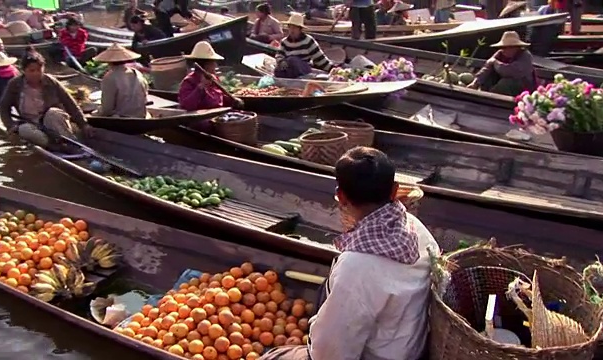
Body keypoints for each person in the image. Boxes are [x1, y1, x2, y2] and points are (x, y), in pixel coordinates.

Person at [260, 146, 440, 360]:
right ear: (394, 191)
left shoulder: (356, 267)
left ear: (341, 196)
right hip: (411, 350)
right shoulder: (418, 230)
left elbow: (329, 354)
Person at [0, 49, 94, 151]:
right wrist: (10, 125)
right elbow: (4, 107)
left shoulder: (51, 82)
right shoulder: (15, 84)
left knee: (53, 114)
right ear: (24, 71)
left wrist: (83, 124)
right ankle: (53, 146)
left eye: (39, 70)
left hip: (51, 121)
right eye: (32, 70)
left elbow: (69, 103)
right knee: (24, 130)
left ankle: (72, 144)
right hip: (31, 123)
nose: (36, 73)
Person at [178, 41, 242, 130]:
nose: (216, 65)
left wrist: (232, 101)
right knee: (207, 125)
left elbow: (221, 97)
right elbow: (187, 106)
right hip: (201, 119)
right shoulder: (189, 81)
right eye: (213, 63)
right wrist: (201, 87)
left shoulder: (214, 78)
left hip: (218, 114)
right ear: (205, 65)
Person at [467, 31, 536, 96]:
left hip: (523, 88)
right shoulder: (500, 53)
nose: (507, 50)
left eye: (511, 47)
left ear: (517, 47)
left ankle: (489, 97)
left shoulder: (525, 55)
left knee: (506, 83)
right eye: (505, 47)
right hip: (503, 87)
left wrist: (496, 63)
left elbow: (510, 72)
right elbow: (487, 67)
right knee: (488, 77)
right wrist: (475, 82)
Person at [93, 43, 149, 118]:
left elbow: (107, 109)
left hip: (122, 116)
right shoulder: (137, 73)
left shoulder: (110, 77)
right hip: (141, 114)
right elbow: (145, 97)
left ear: (109, 62)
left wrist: (97, 112)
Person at [274, 14, 334, 78]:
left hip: (304, 69)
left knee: (292, 60)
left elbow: (319, 58)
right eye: (290, 27)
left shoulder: (308, 40)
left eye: (294, 28)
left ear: (300, 29)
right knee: (278, 71)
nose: (292, 30)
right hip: (290, 68)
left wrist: (332, 68)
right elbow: (279, 55)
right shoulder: (285, 42)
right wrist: (281, 61)